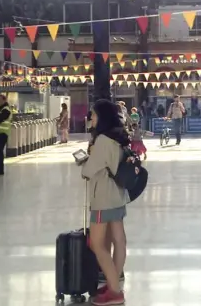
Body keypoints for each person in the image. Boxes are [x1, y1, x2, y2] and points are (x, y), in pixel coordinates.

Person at [82, 99, 129, 306]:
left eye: (93, 115)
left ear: (102, 117)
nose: (90, 118)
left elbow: (88, 171)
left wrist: (86, 161)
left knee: (97, 244)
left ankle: (115, 293)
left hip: (102, 198)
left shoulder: (102, 140)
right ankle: (113, 284)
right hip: (118, 195)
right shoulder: (119, 136)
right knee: (119, 240)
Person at [0, 95, 12, 176]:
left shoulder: (5, 110)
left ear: (4, 100)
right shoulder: (1, 109)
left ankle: (0, 170)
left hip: (3, 133)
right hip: (0, 132)